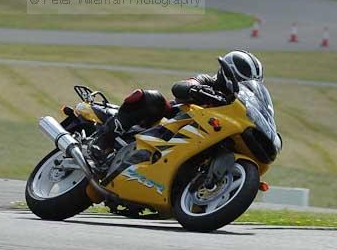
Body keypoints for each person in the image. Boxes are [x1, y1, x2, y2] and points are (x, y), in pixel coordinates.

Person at [88, 50, 263, 169]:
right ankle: (102, 142)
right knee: (153, 99)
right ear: (229, 73)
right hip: (171, 121)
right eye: (242, 80)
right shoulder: (208, 81)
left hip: (200, 137)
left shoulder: (238, 103)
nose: (242, 85)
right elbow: (182, 85)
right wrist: (193, 88)